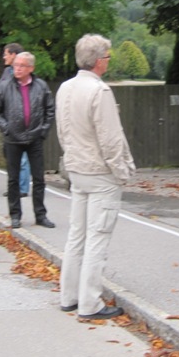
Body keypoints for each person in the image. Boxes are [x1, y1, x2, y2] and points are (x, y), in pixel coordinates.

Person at [57, 34, 135, 320]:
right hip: (101, 173)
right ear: (100, 61)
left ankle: (69, 295)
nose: (109, 62)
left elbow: (62, 131)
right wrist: (122, 172)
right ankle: (90, 303)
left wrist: (72, 158)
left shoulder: (65, 88)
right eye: (108, 57)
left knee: (76, 235)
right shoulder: (99, 91)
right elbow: (111, 138)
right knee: (97, 238)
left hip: (77, 170)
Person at [0, 51, 55, 229]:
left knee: (39, 179)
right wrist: (6, 128)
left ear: (30, 68)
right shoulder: (4, 86)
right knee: (13, 179)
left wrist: (43, 131)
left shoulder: (41, 86)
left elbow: (50, 109)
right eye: (15, 65)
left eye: (21, 66)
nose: (17, 69)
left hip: (35, 137)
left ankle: (40, 215)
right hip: (13, 139)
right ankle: (15, 215)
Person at [0, 43, 31, 198]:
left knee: (23, 157)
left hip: (23, 119)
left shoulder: (26, 73)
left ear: (13, 55)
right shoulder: (7, 72)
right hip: (8, 119)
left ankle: (22, 188)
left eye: (6, 54)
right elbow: (0, 90)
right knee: (11, 155)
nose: (4, 57)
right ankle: (14, 186)